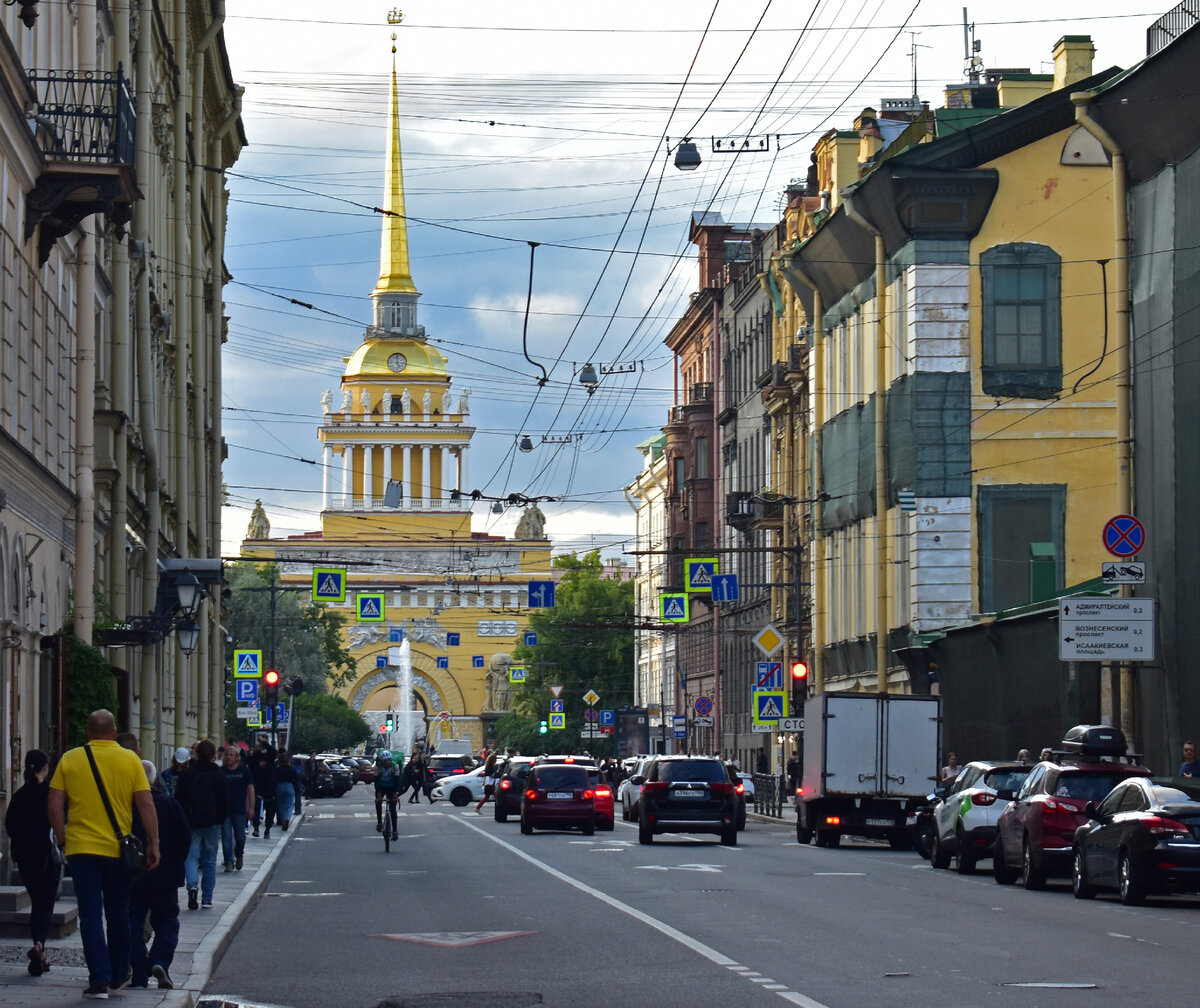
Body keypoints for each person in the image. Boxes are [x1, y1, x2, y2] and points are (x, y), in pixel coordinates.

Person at [47, 709, 161, 999]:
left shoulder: (70, 759)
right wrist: (154, 843)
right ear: (113, 733)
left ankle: (97, 977)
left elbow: (54, 805)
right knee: (119, 912)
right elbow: (146, 804)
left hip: (81, 848)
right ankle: (119, 971)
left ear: (87, 732)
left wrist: (63, 839)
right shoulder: (130, 759)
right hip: (116, 849)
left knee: (89, 914)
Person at [129, 759, 191, 990]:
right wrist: (175, 862)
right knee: (167, 919)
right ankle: (160, 960)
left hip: (133, 874)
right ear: (154, 779)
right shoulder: (170, 805)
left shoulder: (126, 806)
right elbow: (186, 837)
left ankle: (138, 973)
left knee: (132, 921)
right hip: (165, 874)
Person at [4, 749, 62, 978]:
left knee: (37, 900)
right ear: (45, 769)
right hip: (47, 857)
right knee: (44, 905)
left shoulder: (19, 795)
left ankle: (41, 951)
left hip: (25, 858)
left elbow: (10, 825)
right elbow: (60, 817)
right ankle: (39, 945)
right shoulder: (50, 794)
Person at [174, 738, 229, 911]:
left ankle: (192, 887)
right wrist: (219, 818)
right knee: (210, 860)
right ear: (213, 755)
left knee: (191, 856)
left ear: (196, 754)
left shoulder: (187, 774)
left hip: (192, 821)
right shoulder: (219, 775)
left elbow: (178, 799)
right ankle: (207, 899)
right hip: (212, 822)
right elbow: (225, 801)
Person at [220, 744, 254, 872]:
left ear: (237, 758)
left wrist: (251, 807)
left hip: (240, 809)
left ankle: (239, 854)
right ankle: (229, 861)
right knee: (226, 837)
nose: (229, 757)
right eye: (227, 755)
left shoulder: (243, 771)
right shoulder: (221, 771)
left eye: (231, 755)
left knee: (240, 836)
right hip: (224, 810)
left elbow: (250, 788)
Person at [248, 736, 278, 837]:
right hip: (265, 785)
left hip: (262, 785)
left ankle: (262, 828)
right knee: (266, 807)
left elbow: (273, 752)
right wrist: (264, 744)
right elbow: (273, 752)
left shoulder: (263, 758)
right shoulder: (263, 758)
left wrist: (263, 744)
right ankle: (263, 828)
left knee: (262, 807)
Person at [374, 749, 402, 838]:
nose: (387, 762)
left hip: (391, 786)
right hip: (381, 786)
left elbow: (397, 781)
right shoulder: (377, 767)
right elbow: (376, 781)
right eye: (385, 761)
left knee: (393, 809)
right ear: (381, 761)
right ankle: (379, 822)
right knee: (378, 803)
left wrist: (395, 793)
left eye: (389, 760)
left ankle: (395, 830)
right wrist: (379, 794)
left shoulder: (395, 766)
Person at [275, 751, 300, 831]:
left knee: (281, 805)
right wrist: (297, 790)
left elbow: (274, 779)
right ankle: (287, 818)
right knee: (289, 805)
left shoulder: (277, 769)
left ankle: (283, 820)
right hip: (289, 786)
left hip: (280, 786)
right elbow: (296, 779)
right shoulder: (291, 769)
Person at [475, 749, 500, 814]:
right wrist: (496, 775)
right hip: (490, 783)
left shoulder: (488, 766)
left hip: (489, 782)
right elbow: (491, 775)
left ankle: (478, 808)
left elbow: (486, 775)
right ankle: (477, 808)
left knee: (491, 796)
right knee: (489, 797)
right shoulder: (491, 767)